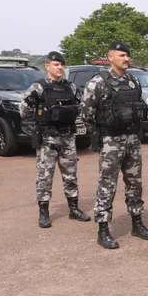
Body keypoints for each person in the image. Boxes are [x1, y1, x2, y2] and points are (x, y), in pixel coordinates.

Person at [80, 42, 148, 249]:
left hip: (132, 139)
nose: (126, 59)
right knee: (107, 185)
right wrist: (103, 128)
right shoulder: (99, 82)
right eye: (122, 55)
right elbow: (85, 113)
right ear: (110, 57)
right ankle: (103, 229)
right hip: (111, 141)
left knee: (135, 184)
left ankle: (137, 223)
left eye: (128, 55)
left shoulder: (133, 81)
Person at [20, 51, 91, 228]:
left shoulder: (70, 87)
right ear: (47, 66)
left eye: (61, 65)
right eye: (56, 64)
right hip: (48, 139)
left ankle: (73, 209)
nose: (59, 67)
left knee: (71, 175)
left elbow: (80, 107)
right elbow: (24, 110)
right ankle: (44, 213)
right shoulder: (39, 87)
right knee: (45, 176)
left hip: (67, 137)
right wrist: (40, 119)